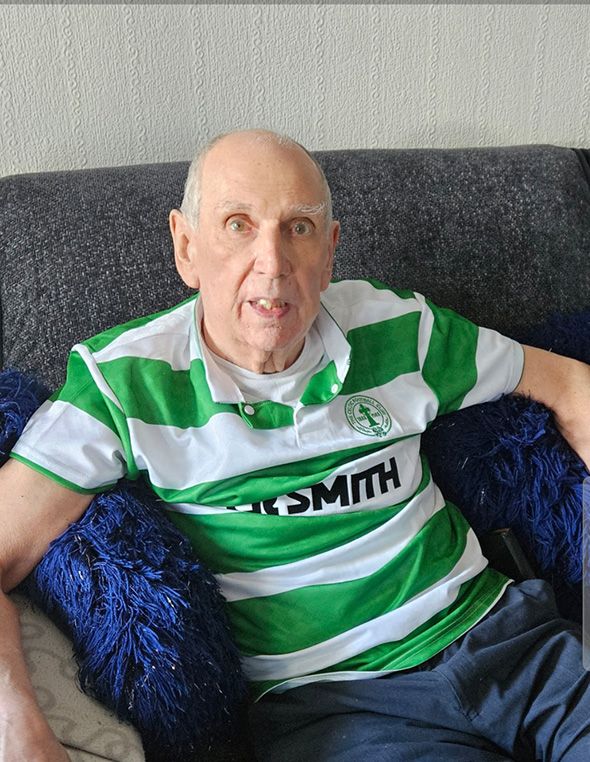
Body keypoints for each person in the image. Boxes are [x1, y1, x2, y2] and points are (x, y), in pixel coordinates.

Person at [0, 128, 589, 762]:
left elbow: (567, 381)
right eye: (238, 225)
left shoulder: (398, 326)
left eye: (298, 228)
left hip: (506, 638)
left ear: (329, 251)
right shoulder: (121, 384)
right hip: (337, 709)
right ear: (186, 247)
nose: (273, 263)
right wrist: (18, 725)